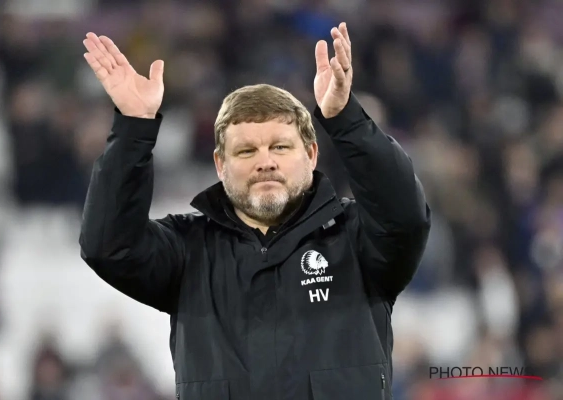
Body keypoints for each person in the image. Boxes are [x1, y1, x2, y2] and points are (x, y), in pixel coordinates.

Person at [79, 22, 431, 400]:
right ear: (220, 165)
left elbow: (405, 218)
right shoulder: (187, 249)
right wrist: (133, 129)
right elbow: (109, 247)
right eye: (246, 151)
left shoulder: (356, 238)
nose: (265, 162)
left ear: (311, 155)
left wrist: (346, 119)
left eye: (280, 147)